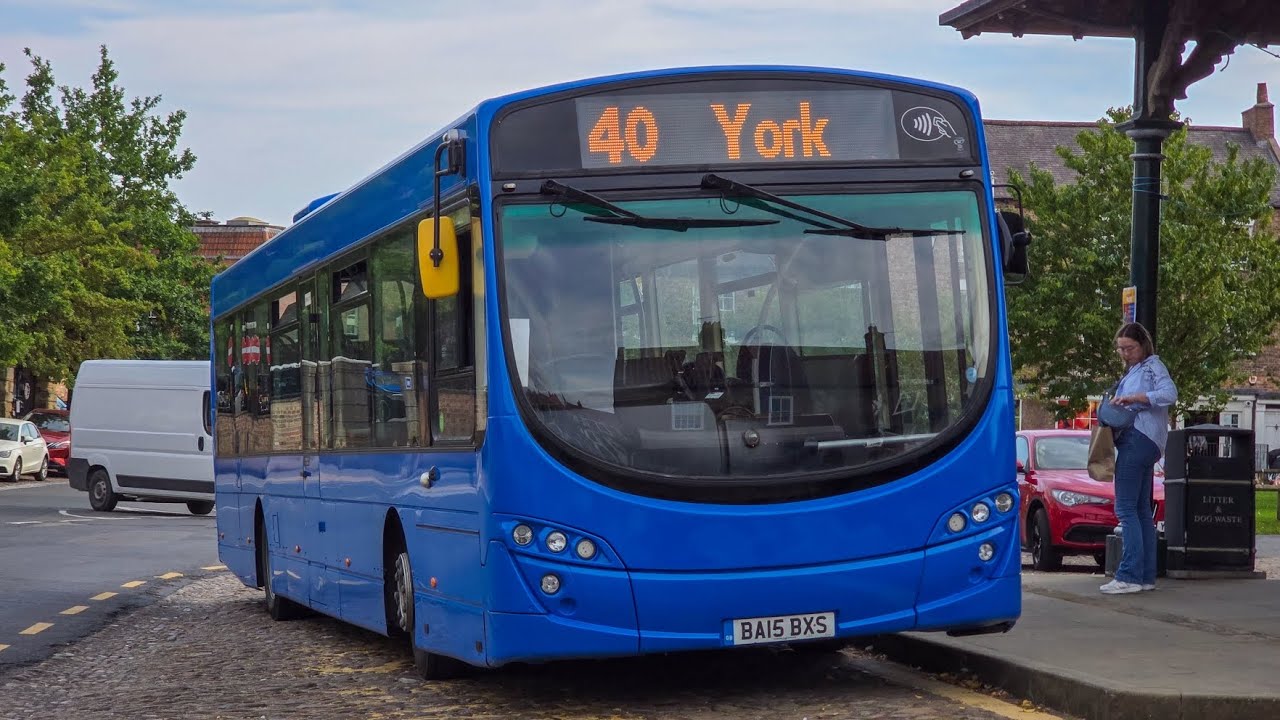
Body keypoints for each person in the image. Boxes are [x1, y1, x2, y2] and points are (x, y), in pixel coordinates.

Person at [1100, 322, 1178, 595]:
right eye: (1120, 349)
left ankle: (1129, 575)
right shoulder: (1136, 369)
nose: (1124, 353)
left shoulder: (1152, 366)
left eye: (1130, 348)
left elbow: (1170, 394)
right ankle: (1145, 576)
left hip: (1138, 438)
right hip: (1147, 442)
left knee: (1125, 509)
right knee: (1142, 510)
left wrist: (1136, 397)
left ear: (1143, 344)